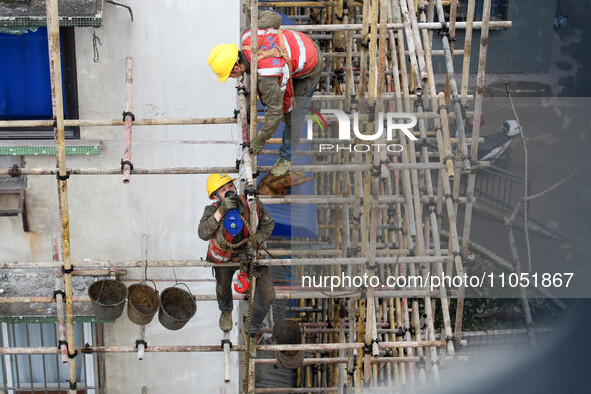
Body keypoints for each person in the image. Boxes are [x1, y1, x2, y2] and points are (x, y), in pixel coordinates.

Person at [208, 11, 324, 176]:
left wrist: (260, 139)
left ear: (236, 67)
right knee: (282, 99)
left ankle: (286, 157)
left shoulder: (265, 77)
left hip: (311, 64)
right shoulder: (249, 35)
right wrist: (254, 12)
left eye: (230, 75)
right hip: (302, 44)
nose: (231, 78)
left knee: (292, 116)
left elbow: (275, 112)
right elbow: (274, 18)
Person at [198, 173, 275, 334]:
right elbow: (203, 233)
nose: (229, 191)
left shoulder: (251, 204)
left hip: (249, 255)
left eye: (230, 186)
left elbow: (268, 224)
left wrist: (255, 240)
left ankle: (253, 324)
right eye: (223, 189)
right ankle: (226, 311)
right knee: (222, 288)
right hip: (223, 259)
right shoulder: (212, 210)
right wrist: (221, 211)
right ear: (214, 196)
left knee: (268, 295)